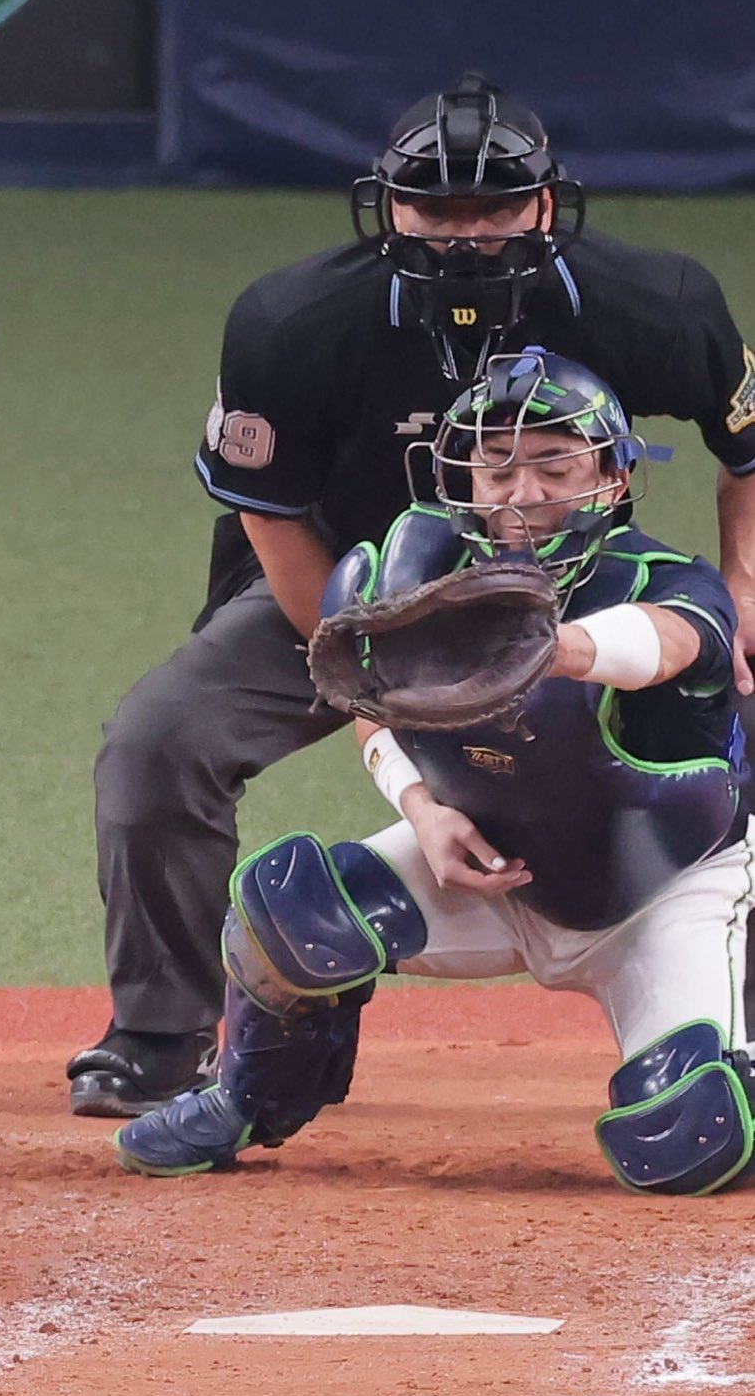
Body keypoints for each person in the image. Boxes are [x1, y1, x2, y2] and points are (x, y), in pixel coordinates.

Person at [68, 73, 755, 1118]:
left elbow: (746, 443)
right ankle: (160, 1036)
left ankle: (726, 1008)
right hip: (349, 588)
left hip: (584, 585)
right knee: (159, 741)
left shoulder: (651, 302)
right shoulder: (292, 321)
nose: (466, 232)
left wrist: (741, 588)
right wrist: (368, 663)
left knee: (729, 717)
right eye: (437, 208)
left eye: (494, 205)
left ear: (545, 204)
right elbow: (270, 515)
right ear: (386, 207)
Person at [114, 351, 755, 1195]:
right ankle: (246, 1099)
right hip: (492, 867)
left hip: (661, 895)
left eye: (555, 466)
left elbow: (668, 643)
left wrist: (556, 648)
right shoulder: (415, 575)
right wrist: (421, 808)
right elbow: (370, 702)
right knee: (288, 912)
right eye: (498, 470)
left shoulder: (671, 583)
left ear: (612, 477)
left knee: (690, 1137)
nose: (523, 494)